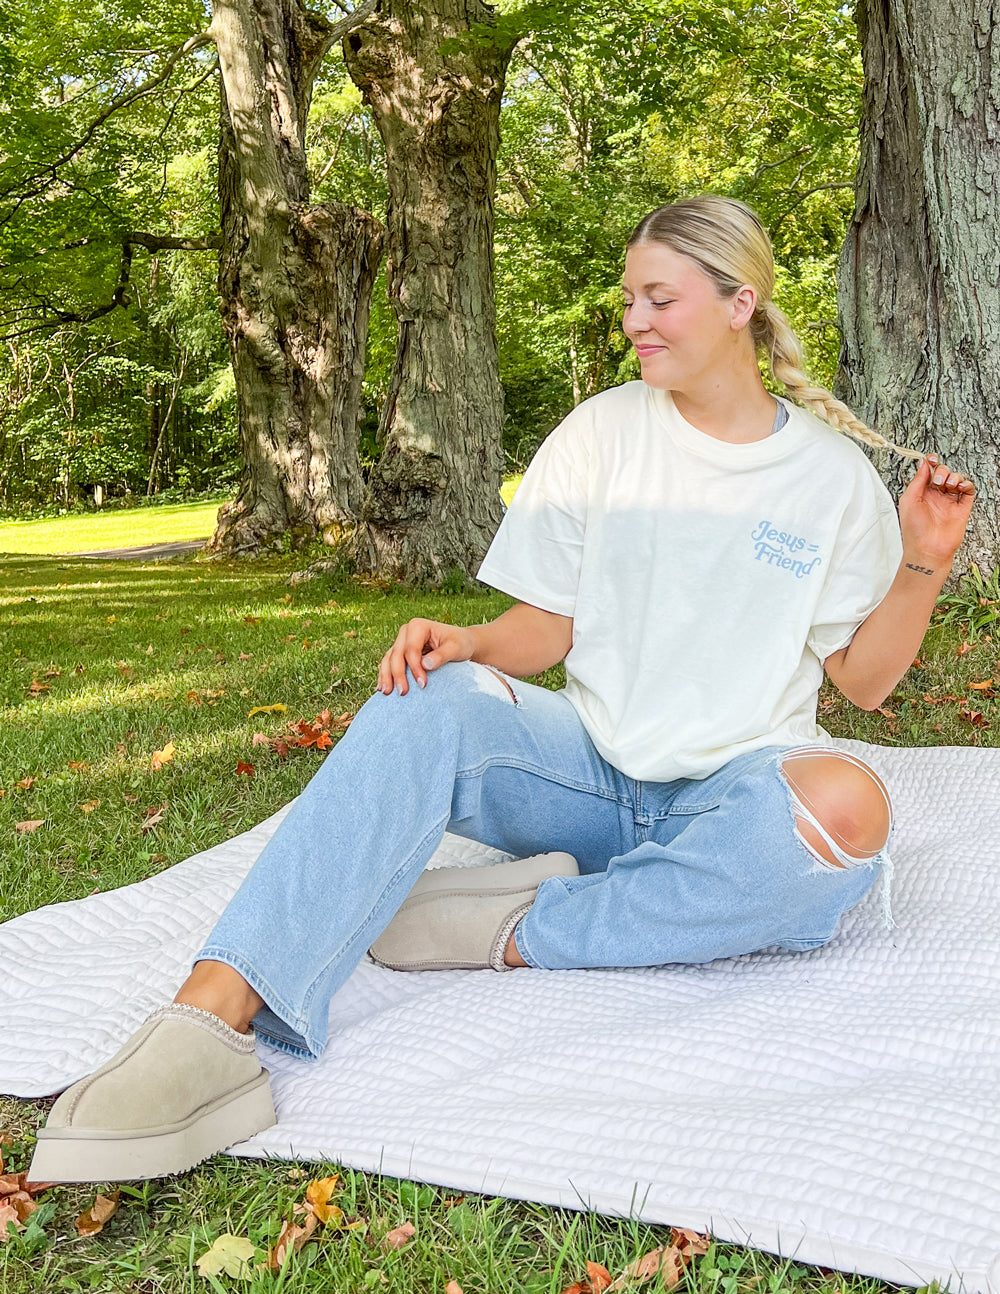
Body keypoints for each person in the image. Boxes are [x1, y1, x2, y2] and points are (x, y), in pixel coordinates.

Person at [28, 196, 976, 1185]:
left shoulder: (827, 480)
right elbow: (549, 629)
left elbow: (863, 685)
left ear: (739, 303)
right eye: (626, 300)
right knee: (425, 697)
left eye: (660, 298)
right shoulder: (602, 433)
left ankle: (516, 924)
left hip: (729, 794)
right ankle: (210, 1020)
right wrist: (469, 640)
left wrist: (921, 563)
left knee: (846, 813)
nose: (635, 321)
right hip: (585, 772)